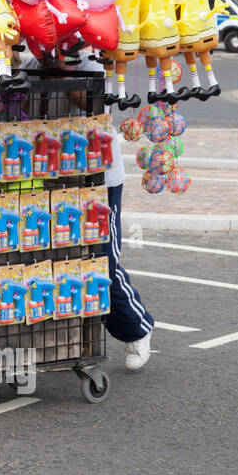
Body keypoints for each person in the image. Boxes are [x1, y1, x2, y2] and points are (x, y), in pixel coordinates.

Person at [20, 48, 154, 370]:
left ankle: (137, 327)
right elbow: (21, 105)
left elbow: (95, 103)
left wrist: (61, 71)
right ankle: (67, 341)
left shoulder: (93, 61)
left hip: (99, 177)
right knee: (55, 260)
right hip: (51, 174)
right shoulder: (33, 62)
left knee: (103, 261)